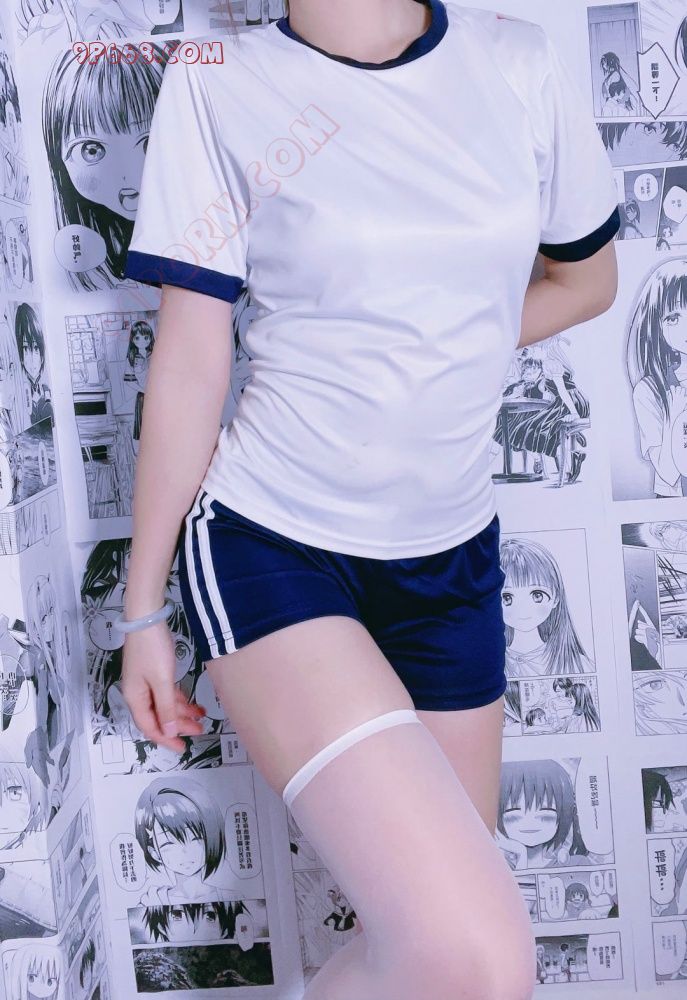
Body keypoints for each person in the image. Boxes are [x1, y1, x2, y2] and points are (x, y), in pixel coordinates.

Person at [119, 2, 620, 998]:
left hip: (452, 555)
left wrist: (432, 339)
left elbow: (587, 280)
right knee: (476, 955)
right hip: (274, 543)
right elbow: (190, 358)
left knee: (449, 969)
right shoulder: (219, 80)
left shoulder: (516, 63)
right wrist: (141, 610)